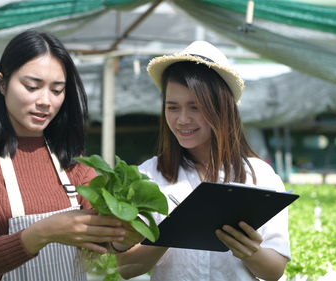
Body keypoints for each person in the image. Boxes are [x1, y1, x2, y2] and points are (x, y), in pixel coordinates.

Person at [0, 30, 139, 281]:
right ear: (2, 83)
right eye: (32, 87)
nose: (45, 101)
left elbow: (104, 239)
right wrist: (43, 233)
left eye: (57, 90)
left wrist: (124, 236)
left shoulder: (75, 165)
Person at [113, 41, 291, 281]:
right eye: (172, 107)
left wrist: (250, 252)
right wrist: (177, 229)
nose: (182, 119)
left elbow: (274, 271)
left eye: (195, 107)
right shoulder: (148, 176)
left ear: (222, 108)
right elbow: (126, 268)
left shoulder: (259, 176)